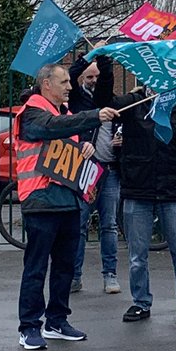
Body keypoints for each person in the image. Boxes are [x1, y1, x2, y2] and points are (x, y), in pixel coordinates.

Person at [13, 63, 119, 350]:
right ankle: (29, 327)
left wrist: (85, 148)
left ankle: (57, 321)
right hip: (40, 200)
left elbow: (68, 138)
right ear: (46, 84)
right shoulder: (32, 112)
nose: (69, 87)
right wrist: (94, 116)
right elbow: (52, 129)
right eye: (63, 82)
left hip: (69, 200)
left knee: (65, 268)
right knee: (36, 268)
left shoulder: (65, 113)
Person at [111, 85, 176, 323]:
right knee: (137, 255)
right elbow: (108, 102)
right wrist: (104, 66)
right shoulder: (133, 104)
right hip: (138, 188)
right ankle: (140, 302)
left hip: (170, 190)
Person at [67, 51, 119, 295]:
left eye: (97, 77)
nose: (94, 81)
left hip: (109, 171)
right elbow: (69, 75)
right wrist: (88, 58)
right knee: (79, 225)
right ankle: (74, 276)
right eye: (89, 77)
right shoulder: (77, 100)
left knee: (109, 225)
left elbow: (107, 81)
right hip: (85, 170)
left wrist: (104, 61)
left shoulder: (113, 100)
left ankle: (110, 275)